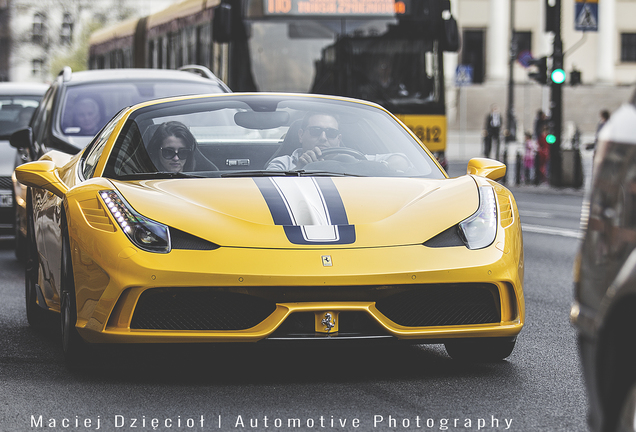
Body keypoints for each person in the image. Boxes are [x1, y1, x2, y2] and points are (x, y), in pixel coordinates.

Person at [266, 112, 410, 172]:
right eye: (316, 131)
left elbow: (402, 160)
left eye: (331, 133)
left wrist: (368, 167)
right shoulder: (283, 164)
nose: (323, 137)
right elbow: (270, 189)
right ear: (301, 135)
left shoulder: (356, 160)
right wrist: (299, 169)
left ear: (339, 139)